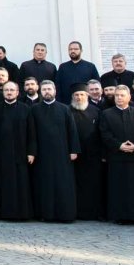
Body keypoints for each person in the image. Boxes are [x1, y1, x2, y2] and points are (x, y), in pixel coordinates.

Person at [99, 85, 134, 224]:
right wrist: (119, 145)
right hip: (117, 157)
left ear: (129, 97)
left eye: (122, 95)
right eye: (117, 95)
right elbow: (105, 133)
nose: (119, 98)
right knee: (119, 188)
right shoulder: (107, 114)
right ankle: (121, 216)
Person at [29, 81, 80, 223]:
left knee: (63, 183)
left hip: (63, 153)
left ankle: (65, 214)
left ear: (55, 91)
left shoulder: (65, 109)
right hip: (42, 154)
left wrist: (74, 150)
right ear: (40, 91)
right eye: (44, 89)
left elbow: (72, 130)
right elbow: (32, 133)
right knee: (45, 183)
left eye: (49, 89)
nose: (47, 92)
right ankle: (46, 214)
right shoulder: (34, 109)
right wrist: (32, 152)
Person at [0, 81, 36, 221]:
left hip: (21, 154)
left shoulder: (26, 109)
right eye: (6, 90)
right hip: (1, 153)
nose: (9, 92)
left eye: (11, 90)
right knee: (4, 183)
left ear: (17, 92)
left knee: (22, 183)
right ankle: (4, 213)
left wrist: (31, 152)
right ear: (3, 92)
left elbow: (31, 132)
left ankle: (23, 214)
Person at [68, 84, 105, 221]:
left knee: (94, 184)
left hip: (93, 155)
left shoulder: (96, 111)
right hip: (74, 155)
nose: (79, 97)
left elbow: (102, 133)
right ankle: (77, 212)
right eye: (76, 95)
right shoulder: (67, 110)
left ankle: (95, 213)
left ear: (87, 95)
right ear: (72, 97)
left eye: (82, 94)